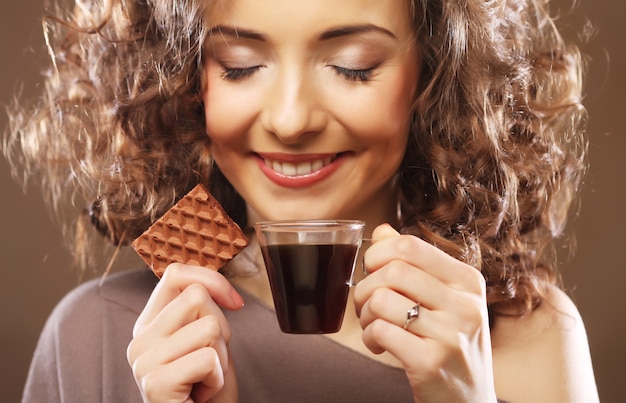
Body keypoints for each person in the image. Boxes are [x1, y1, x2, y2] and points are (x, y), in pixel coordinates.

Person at [3, 0, 600, 401]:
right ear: (187, 78)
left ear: (433, 75)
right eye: (240, 67)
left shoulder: (527, 336)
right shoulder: (95, 333)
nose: (290, 121)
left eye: (352, 67)